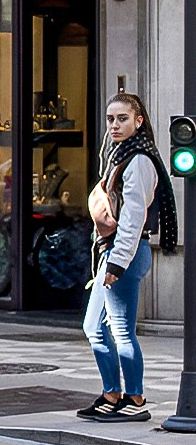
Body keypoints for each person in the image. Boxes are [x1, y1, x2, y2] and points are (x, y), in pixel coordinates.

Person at [78, 92, 165, 423]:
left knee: (120, 331)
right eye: (110, 119)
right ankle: (113, 394)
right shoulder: (119, 155)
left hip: (125, 254)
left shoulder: (139, 160)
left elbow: (133, 220)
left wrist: (116, 264)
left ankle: (136, 399)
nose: (114, 125)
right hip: (114, 252)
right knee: (95, 328)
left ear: (138, 121)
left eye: (122, 119)